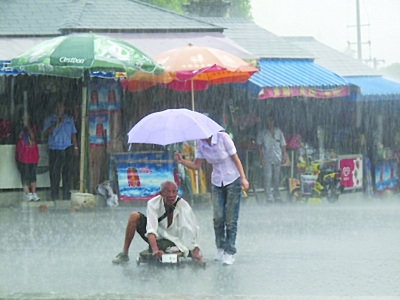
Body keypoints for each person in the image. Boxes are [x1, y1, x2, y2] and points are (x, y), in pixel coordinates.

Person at [174, 131, 249, 265]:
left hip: (232, 179)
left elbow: (236, 159)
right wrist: (181, 161)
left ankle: (230, 251)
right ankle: (220, 246)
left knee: (231, 218)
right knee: (218, 217)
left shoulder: (223, 138)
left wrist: (243, 178)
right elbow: (196, 165)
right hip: (216, 182)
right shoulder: (201, 144)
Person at [112, 180, 202, 264]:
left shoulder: (183, 205)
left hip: (172, 239)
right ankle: (124, 253)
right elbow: (151, 229)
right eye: (167, 192)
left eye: (174, 192)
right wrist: (155, 249)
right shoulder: (153, 203)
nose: (171, 195)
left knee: (164, 245)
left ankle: (161, 247)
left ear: (177, 193)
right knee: (134, 216)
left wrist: (195, 248)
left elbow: (192, 228)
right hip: (156, 236)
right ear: (161, 194)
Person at [43, 101, 78, 200]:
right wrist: (56, 124)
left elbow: (73, 133)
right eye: (58, 108)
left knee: (67, 172)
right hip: (54, 148)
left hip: (67, 147)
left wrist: (75, 147)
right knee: (55, 172)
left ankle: (66, 193)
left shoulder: (69, 119)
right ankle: (54, 193)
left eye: (61, 107)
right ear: (55, 109)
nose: (60, 110)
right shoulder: (49, 119)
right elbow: (45, 133)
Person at [256, 115, 287, 203]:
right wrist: (261, 157)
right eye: (268, 121)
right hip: (267, 157)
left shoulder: (278, 132)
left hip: (277, 156)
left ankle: (277, 196)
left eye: (271, 121)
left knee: (277, 177)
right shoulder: (263, 133)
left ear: (274, 122)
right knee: (268, 177)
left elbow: (283, 144)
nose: (270, 123)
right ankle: (269, 197)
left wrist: (284, 155)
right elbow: (259, 145)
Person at [15, 111, 40, 201]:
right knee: (24, 174)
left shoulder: (33, 126)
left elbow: (33, 137)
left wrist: (28, 127)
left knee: (33, 174)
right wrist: (23, 128)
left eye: (27, 115)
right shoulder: (18, 126)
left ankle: (34, 192)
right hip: (23, 154)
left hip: (32, 154)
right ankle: (27, 193)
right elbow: (19, 136)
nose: (26, 117)